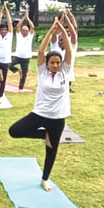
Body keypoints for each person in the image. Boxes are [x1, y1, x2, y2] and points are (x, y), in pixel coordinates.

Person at [8, 18, 73, 192]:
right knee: (14, 131)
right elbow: (41, 51)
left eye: (58, 63)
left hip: (57, 118)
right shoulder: (42, 71)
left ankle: (45, 179)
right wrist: (51, 30)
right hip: (40, 114)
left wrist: (63, 31)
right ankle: (44, 135)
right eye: (52, 62)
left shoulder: (65, 71)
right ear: (47, 64)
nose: (55, 65)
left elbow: (68, 51)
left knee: (51, 151)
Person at [49, 9, 80, 92]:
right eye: (61, 40)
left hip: (67, 71)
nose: (62, 41)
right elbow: (55, 31)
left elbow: (74, 30)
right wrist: (62, 18)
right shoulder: (54, 44)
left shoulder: (71, 45)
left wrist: (69, 17)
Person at [8, 10, 35, 91]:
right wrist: (24, 18)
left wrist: (28, 18)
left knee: (24, 74)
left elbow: (32, 27)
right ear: (22, 31)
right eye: (23, 30)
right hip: (17, 56)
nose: (25, 32)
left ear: (28, 31)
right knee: (8, 64)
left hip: (26, 58)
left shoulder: (30, 36)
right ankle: (17, 70)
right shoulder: (19, 35)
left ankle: (21, 87)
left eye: (26, 31)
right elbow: (18, 26)